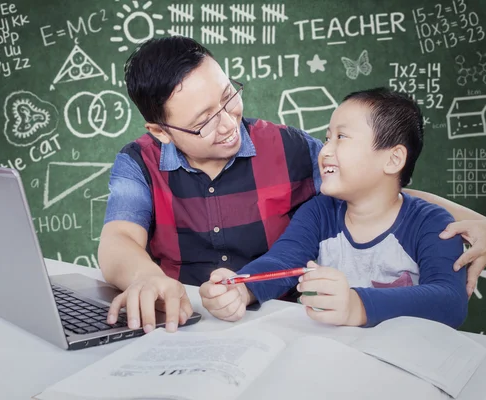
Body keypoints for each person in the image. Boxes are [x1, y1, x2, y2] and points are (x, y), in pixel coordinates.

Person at [98, 36, 486, 333]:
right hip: (180, 325)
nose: (227, 123)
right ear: (161, 131)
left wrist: (479, 222)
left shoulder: (290, 148)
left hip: (283, 329)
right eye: (204, 121)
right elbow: (118, 240)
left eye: (228, 97)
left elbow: (374, 189)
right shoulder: (138, 161)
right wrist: (147, 278)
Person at [200, 88, 468, 328]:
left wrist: (357, 306)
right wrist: (243, 288)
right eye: (327, 138)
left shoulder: (432, 223)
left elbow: (450, 301)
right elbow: (282, 261)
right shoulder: (319, 212)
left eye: (341, 137)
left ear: (393, 159)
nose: (325, 150)